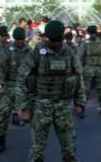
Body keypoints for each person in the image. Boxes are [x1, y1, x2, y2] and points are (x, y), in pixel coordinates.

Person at [16, 20, 86, 161]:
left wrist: (79, 103)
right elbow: (22, 78)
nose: (56, 44)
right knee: (37, 150)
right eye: (52, 40)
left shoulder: (69, 53)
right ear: (46, 37)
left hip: (63, 106)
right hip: (41, 105)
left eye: (58, 40)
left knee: (69, 150)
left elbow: (79, 78)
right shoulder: (37, 52)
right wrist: (24, 108)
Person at [0, 27, 31, 153]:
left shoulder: (29, 51)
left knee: (35, 115)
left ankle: (37, 141)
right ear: (14, 39)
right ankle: (1, 140)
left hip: (25, 87)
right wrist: (0, 85)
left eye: (22, 39)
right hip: (9, 86)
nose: (20, 41)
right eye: (18, 39)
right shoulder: (7, 51)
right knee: (3, 113)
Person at [78, 25, 101, 116]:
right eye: (91, 33)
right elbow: (79, 58)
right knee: (86, 90)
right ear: (88, 34)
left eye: (94, 33)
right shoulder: (85, 44)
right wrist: (79, 70)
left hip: (100, 69)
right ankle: (81, 109)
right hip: (88, 69)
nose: (93, 35)